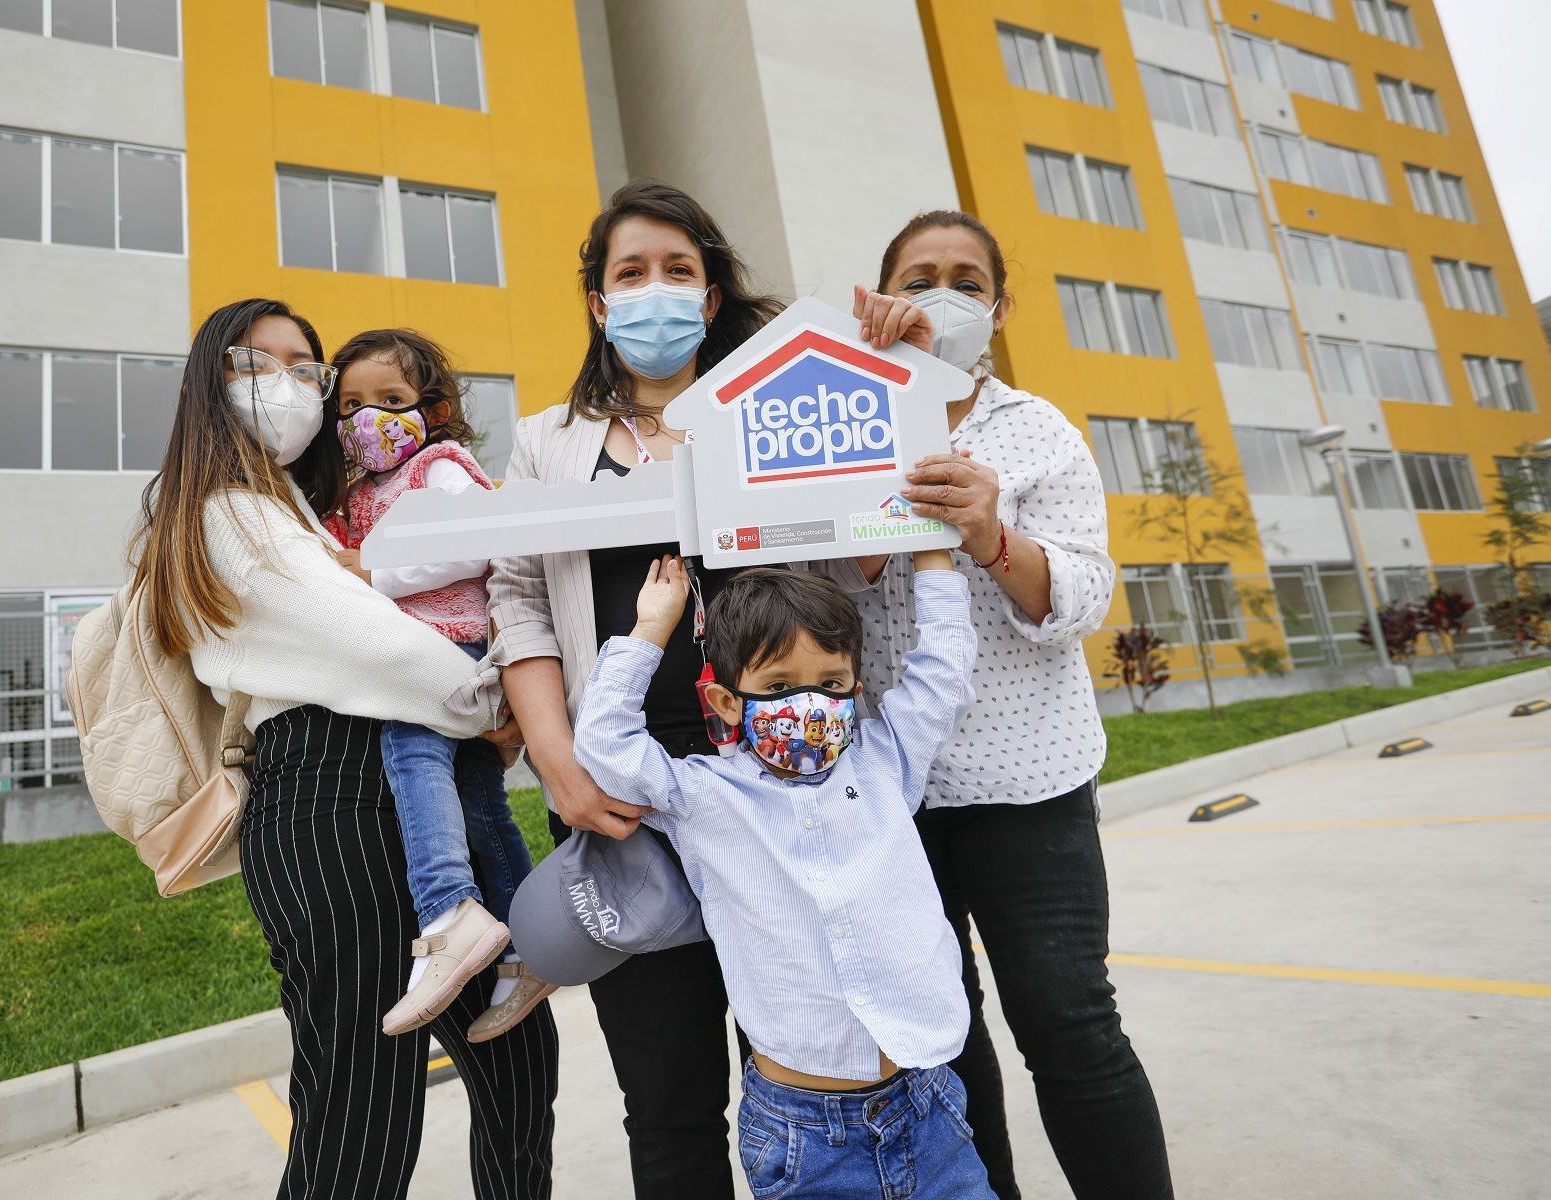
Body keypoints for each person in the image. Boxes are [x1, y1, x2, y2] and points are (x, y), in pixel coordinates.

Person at [487, 180, 870, 1198]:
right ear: (599, 303)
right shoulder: (546, 442)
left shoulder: (774, 419)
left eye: (678, 270)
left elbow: (845, 576)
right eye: (630, 273)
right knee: (668, 1107)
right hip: (627, 806)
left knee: (811, 1082)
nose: (655, 290)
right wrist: (558, 762)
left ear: (709, 300)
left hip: (778, 795)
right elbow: (518, 600)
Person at [130, 299, 556, 1200]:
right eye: (256, 363)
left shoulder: (313, 509)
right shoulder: (223, 514)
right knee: (366, 1104)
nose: (285, 385)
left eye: (303, 369)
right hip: (327, 795)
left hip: (408, 778)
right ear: (207, 382)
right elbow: (378, 645)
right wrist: (498, 704)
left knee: (518, 1056)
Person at [850, 212, 1174, 1200]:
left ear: (998, 305)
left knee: (1070, 1022)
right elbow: (818, 586)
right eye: (919, 276)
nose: (942, 294)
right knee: (941, 1044)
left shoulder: (1037, 430)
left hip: (1030, 779)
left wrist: (993, 533)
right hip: (894, 794)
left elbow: (1078, 597)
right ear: (880, 297)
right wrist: (870, 477)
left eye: (965, 278)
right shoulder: (843, 418)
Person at [570, 555, 996, 1200]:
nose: (808, 704)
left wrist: (936, 559)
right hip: (804, 1132)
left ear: (856, 690)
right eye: (777, 688)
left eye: (831, 683)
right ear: (724, 701)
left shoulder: (885, 763)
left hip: (928, 1100)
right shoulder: (702, 796)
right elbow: (606, 744)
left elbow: (941, 669)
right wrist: (651, 629)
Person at [323, 328, 554, 1042]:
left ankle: (449, 910)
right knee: (482, 803)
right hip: (429, 650)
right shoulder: (359, 491)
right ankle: (527, 945)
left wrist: (374, 571)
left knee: (411, 754)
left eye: (391, 400)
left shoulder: (442, 467)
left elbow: (473, 542)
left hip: (454, 641)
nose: (370, 418)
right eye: (354, 404)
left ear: (437, 408)